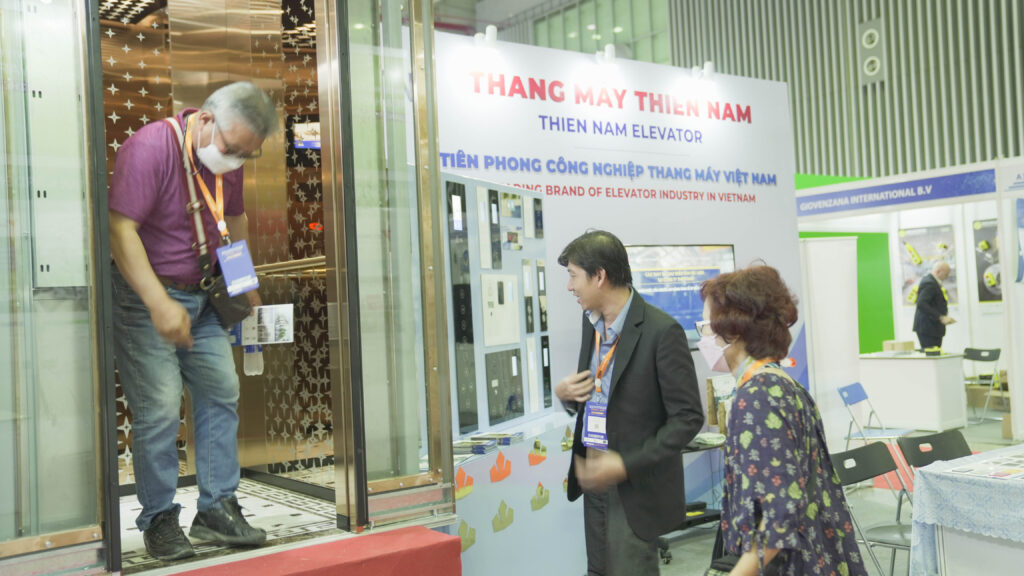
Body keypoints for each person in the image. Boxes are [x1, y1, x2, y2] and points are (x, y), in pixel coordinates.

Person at [109, 82, 276, 561]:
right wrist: (157, 302)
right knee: (161, 407)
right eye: (232, 148)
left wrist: (243, 283)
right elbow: (120, 229)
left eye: (247, 155)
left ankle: (217, 509)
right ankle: (159, 518)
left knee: (222, 391)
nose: (235, 160)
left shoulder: (226, 162)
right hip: (146, 298)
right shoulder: (150, 148)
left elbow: (233, 220)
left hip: (204, 298)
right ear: (204, 120)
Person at [697, 266, 869, 576]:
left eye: (706, 327)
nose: (704, 338)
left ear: (733, 330)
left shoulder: (758, 395)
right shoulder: (779, 384)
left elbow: (778, 518)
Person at [554, 230, 704, 576]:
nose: (570, 287)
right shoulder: (591, 323)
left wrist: (623, 464)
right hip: (593, 478)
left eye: (574, 276)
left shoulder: (661, 331)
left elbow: (687, 418)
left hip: (633, 487)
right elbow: (599, 395)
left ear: (599, 276)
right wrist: (569, 397)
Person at [913, 261, 955, 349]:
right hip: (928, 328)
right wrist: (941, 317)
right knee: (932, 354)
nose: (947, 276)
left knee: (935, 353)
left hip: (932, 328)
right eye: (946, 274)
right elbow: (921, 303)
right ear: (938, 271)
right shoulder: (929, 283)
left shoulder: (931, 282)